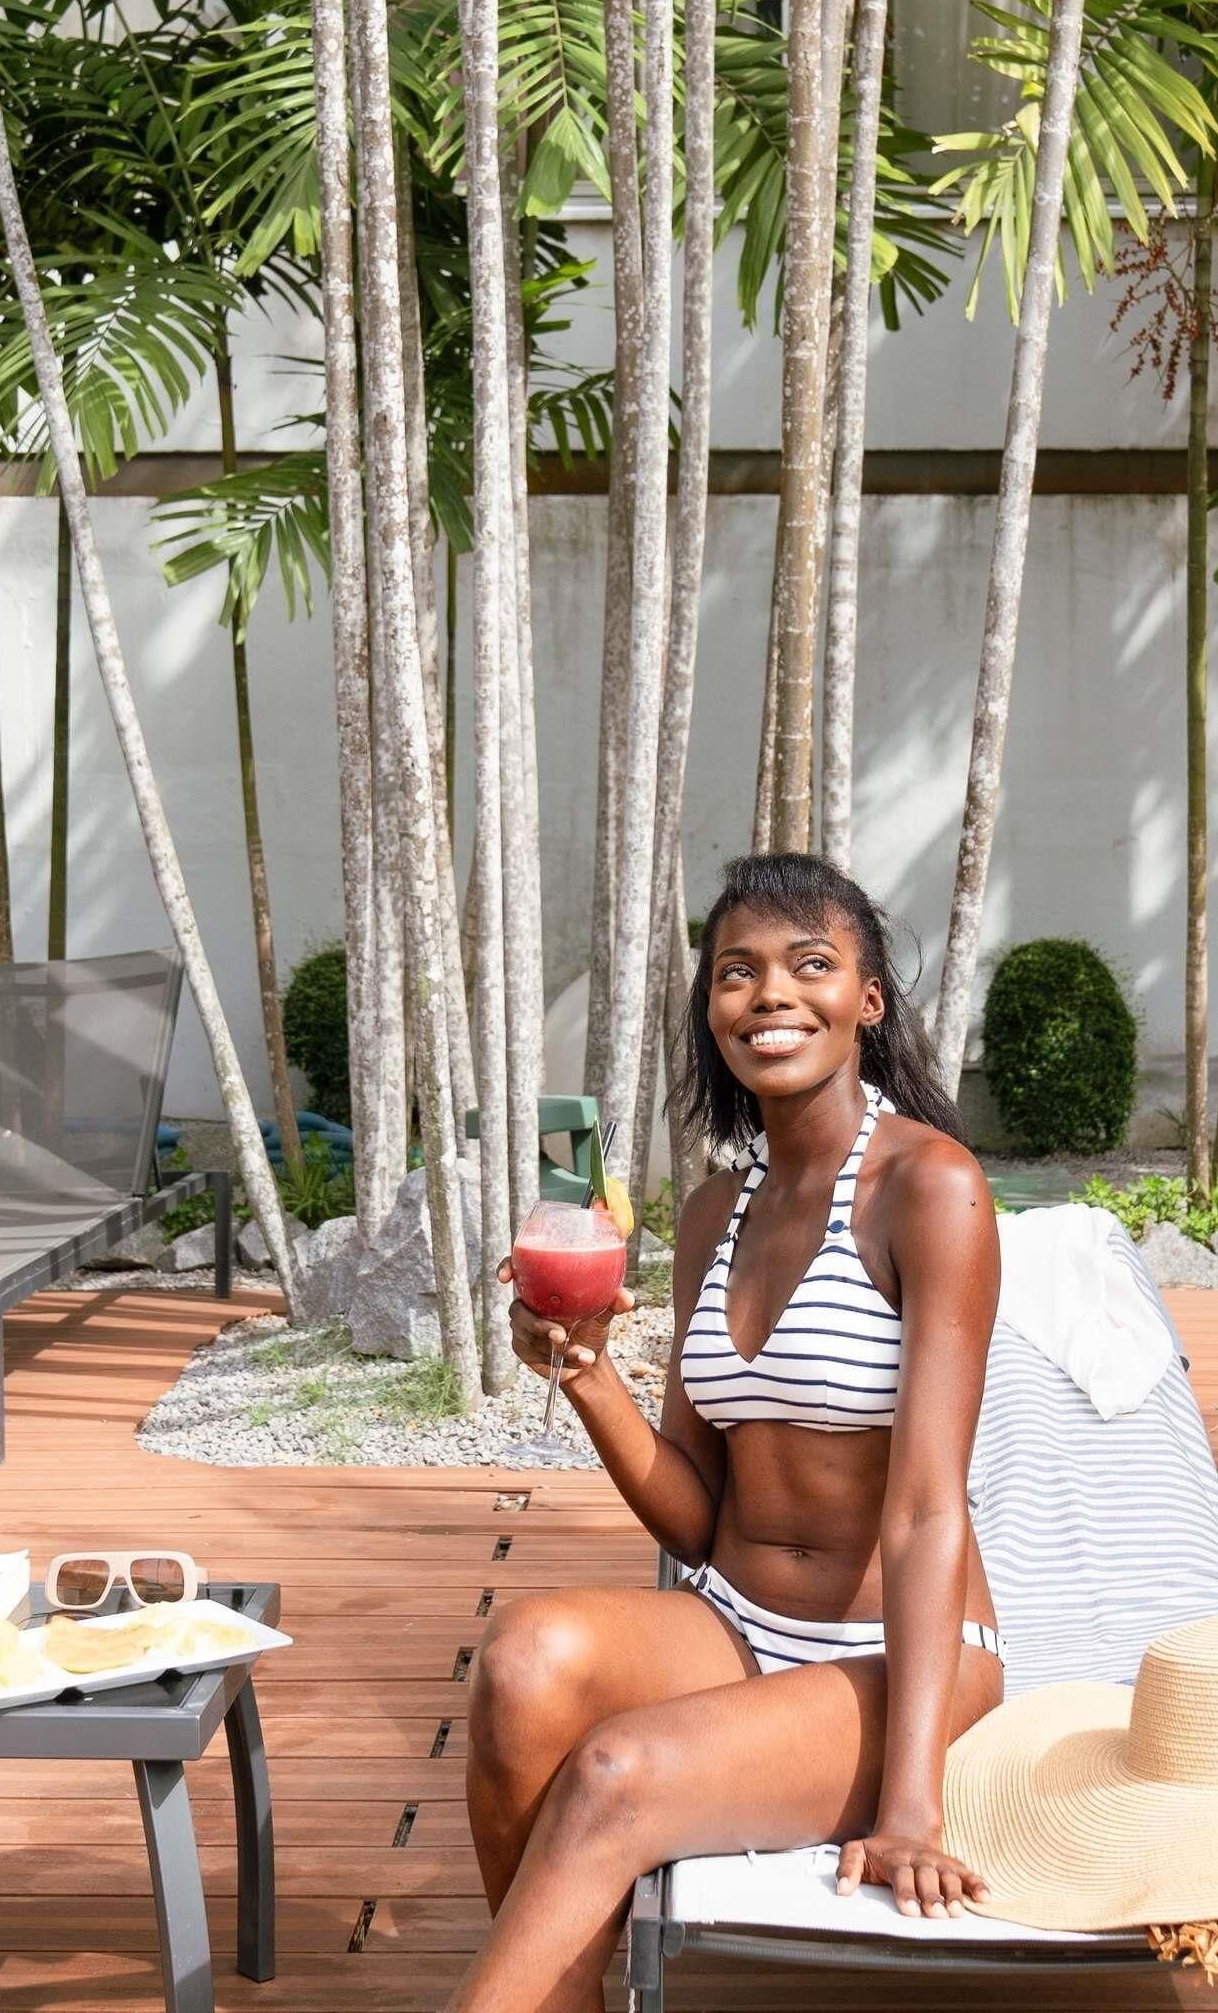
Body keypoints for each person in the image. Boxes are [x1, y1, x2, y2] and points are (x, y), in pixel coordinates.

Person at [455, 852, 1004, 2012]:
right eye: (735, 974)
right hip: (739, 1619)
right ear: (711, 1012)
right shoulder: (717, 1211)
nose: (770, 996)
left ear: (870, 1000)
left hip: (903, 1660)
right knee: (522, 1663)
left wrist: (911, 1805)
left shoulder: (930, 1188)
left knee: (613, 1773)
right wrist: (590, 1375)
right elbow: (698, 1522)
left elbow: (925, 1509)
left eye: (812, 965)